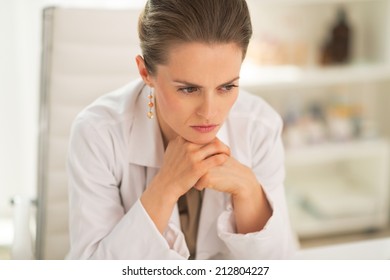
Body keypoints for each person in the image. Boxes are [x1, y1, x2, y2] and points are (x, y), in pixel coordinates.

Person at [66, 0, 296, 260]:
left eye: (227, 87)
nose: (209, 112)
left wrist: (249, 190)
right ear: (145, 72)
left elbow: (279, 265)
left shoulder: (260, 126)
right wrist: (165, 187)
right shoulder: (97, 134)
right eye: (188, 89)